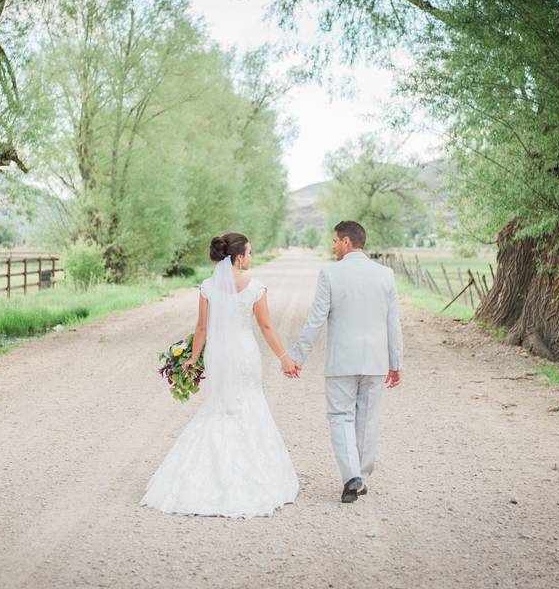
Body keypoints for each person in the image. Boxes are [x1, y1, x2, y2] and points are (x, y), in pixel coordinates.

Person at [140, 232, 299, 517]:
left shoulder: (208, 287)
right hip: (244, 352)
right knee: (249, 401)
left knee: (220, 405)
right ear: (239, 257)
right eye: (249, 253)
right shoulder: (255, 288)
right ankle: (255, 473)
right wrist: (284, 357)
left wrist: (192, 358)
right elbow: (266, 327)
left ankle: (196, 477)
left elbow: (202, 328)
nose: (251, 257)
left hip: (220, 354)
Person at [286, 220, 403, 503]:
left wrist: (298, 356)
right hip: (375, 360)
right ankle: (359, 477)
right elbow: (393, 323)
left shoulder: (330, 274)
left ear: (347, 242)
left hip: (342, 361)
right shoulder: (385, 275)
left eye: (336, 241)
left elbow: (316, 320)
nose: (333, 246)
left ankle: (352, 476)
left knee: (340, 417)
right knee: (367, 419)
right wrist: (395, 363)